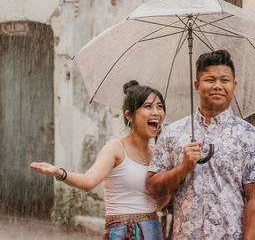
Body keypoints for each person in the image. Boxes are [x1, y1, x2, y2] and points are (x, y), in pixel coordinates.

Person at [146, 50, 255, 239]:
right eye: (210, 80)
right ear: (197, 85)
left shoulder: (252, 138)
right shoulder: (173, 133)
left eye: (225, 80)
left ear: (234, 86)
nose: (218, 86)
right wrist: (183, 168)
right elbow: (153, 188)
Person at [31, 80, 166, 240]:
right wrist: (59, 172)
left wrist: (182, 169)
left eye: (160, 106)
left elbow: (160, 200)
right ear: (129, 115)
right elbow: (88, 181)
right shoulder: (115, 148)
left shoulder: (158, 153)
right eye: (148, 106)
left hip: (152, 230)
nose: (157, 112)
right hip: (123, 233)